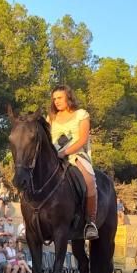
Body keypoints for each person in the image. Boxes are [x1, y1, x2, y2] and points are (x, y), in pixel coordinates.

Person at [48, 85, 98, 239]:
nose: (56, 101)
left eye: (60, 98)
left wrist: (64, 152)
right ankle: (32, 221)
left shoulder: (81, 114)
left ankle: (90, 222)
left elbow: (82, 139)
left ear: (68, 97)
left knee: (89, 180)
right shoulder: (50, 118)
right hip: (54, 158)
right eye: (54, 99)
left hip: (76, 156)